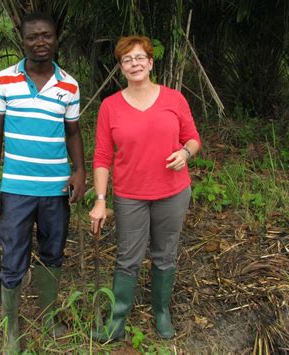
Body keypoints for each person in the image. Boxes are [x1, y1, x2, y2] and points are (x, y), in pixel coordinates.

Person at [0, 12, 85, 351]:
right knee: (13, 258)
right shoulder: (3, 80)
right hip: (15, 190)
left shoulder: (69, 84)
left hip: (55, 189)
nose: (40, 42)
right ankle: (12, 328)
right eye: (33, 37)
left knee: (53, 252)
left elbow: (73, 132)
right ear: (22, 41)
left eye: (47, 36)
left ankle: (48, 314)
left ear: (57, 39)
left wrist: (79, 172)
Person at [89, 35, 201, 341]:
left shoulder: (174, 99)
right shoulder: (110, 106)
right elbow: (102, 156)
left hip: (173, 192)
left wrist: (185, 153)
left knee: (165, 254)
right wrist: (101, 200)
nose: (134, 64)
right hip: (130, 196)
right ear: (121, 67)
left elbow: (193, 138)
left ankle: (161, 311)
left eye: (140, 58)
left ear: (151, 63)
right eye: (127, 60)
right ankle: (117, 318)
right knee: (128, 256)